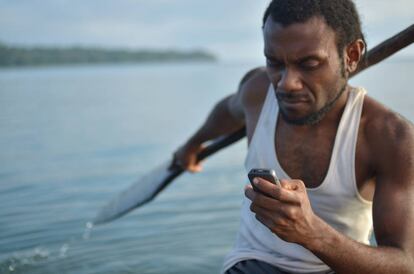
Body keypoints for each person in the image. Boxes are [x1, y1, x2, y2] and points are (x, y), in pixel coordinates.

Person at [172, 1, 414, 273]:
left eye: (309, 64)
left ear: (352, 56)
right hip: (252, 263)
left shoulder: (390, 138)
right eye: (274, 63)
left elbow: (404, 264)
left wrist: (312, 233)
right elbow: (228, 111)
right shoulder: (258, 91)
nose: (286, 83)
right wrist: (192, 144)